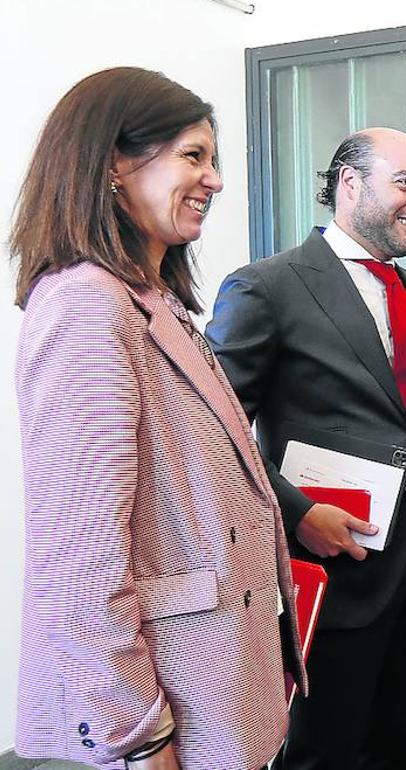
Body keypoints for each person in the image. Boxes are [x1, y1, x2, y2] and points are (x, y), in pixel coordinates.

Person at [10, 67, 304, 770]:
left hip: (217, 682)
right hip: (164, 711)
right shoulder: (86, 305)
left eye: (214, 159)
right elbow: (80, 559)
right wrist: (140, 735)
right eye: (193, 156)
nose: (216, 180)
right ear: (114, 163)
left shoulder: (152, 301)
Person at [205, 127, 406, 770]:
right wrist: (297, 513)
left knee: (401, 740)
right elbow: (217, 434)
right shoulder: (266, 288)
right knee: (325, 749)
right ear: (349, 184)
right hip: (334, 564)